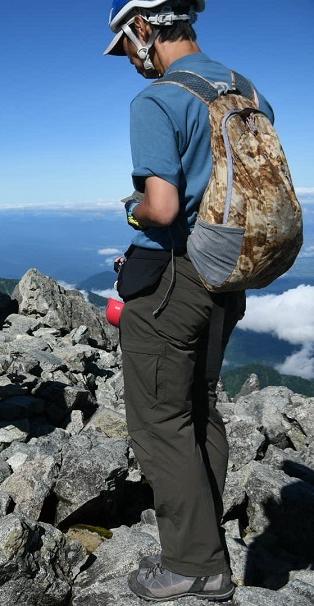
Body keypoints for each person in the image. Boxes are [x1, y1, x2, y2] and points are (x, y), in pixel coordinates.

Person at [103, 0, 269, 600]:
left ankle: (195, 564)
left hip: (175, 276)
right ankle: (205, 542)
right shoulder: (247, 92)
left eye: (126, 46)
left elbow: (164, 207)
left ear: (142, 28)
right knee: (200, 409)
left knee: (159, 421)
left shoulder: (159, 99)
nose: (129, 60)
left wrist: (131, 208)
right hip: (230, 276)